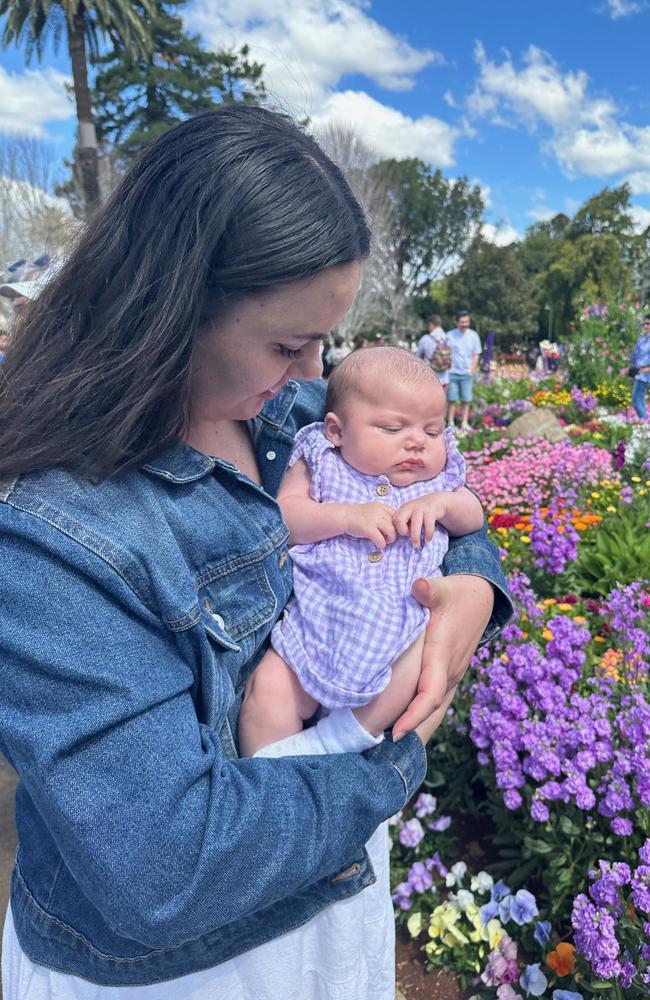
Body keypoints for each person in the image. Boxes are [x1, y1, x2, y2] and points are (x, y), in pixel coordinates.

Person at [0, 107, 511, 1000]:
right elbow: (162, 868)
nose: (316, 371)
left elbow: (444, 501)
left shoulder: (290, 420)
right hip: (185, 968)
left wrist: (471, 593)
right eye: (287, 343)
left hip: (325, 880)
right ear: (174, 307)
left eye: (324, 341)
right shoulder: (48, 533)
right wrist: (388, 761)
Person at [239, 348, 484, 755]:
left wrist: (441, 505)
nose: (416, 444)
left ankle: (347, 736)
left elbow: (474, 517)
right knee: (269, 689)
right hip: (317, 622)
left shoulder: (438, 480)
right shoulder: (321, 458)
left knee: (424, 657)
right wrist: (345, 518)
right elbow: (285, 518)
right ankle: (269, 771)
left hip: (402, 623)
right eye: (392, 429)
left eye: (432, 431)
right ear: (337, 431)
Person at [446, 309, 482, 431]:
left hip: (466, 373)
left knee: (466, 399)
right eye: (462, 322)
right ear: (457, 322)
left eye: (467, 322)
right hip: (452, 372)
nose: (465, 324)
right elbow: (444, 352)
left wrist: (472, 369)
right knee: (451, 399)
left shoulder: (473, 335)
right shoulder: (450, 335)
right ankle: (450, 422)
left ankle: (464, 422)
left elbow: (476, 353)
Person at [415, 313, 450, 388]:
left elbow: (417, 357)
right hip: (444, 379)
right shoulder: (448, 338)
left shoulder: (426, 339)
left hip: (429, 378)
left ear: (431, 324)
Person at [630, 314, 650, 420]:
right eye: (644, 324)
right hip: (638, 374)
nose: (646, 326)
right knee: (639, 401)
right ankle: (645, 425)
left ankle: (645, 424)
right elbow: (635, 356)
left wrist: (642, 370)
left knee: (636, 401)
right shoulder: (642, 339)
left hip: (645, 375)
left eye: (648, 324)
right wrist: (633, 371)